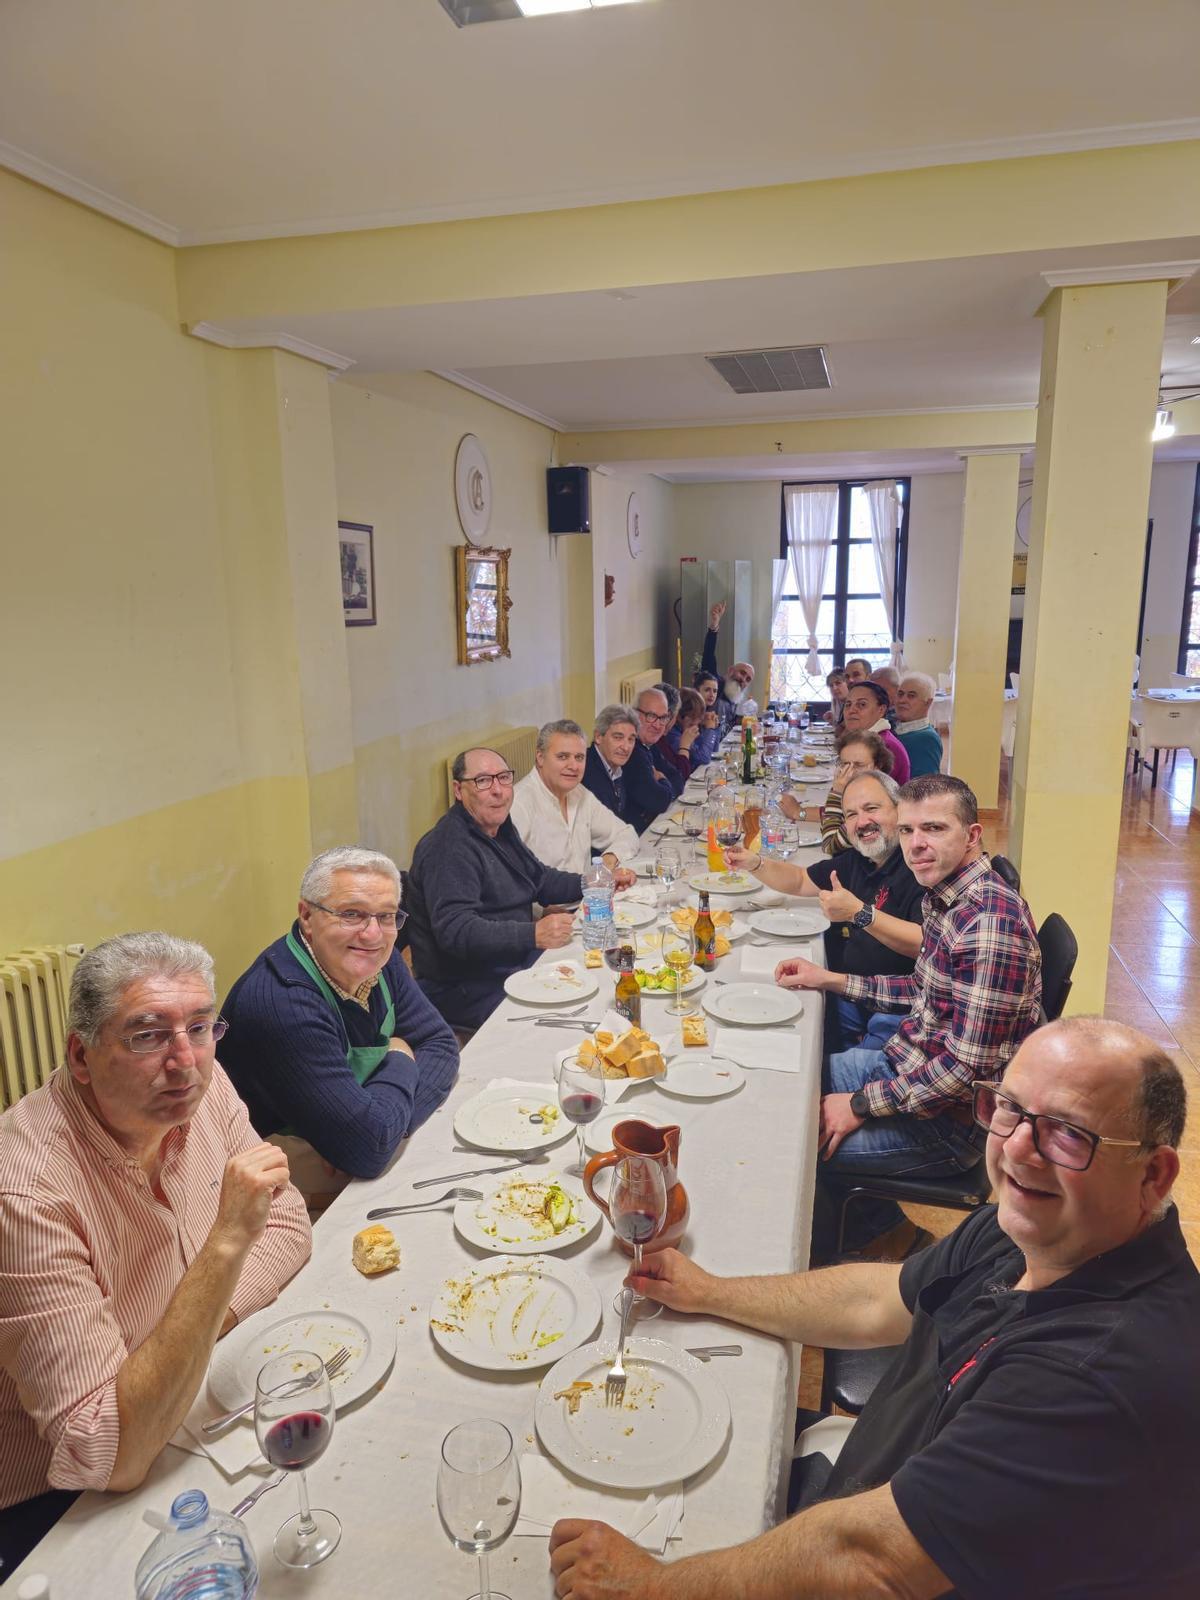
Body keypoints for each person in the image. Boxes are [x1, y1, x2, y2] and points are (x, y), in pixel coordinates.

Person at [549, 1018, 1199, 1600]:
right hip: (873, 1491)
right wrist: (709, 1291)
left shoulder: (1101, 1376)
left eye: (1068, 1133)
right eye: (1009, 1108)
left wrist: (651, 1587)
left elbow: (871, 1564)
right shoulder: (1038, 1228)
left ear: (1154, 1175)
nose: (1018, 1149)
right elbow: (877, 1300)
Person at [0, 933, 311, 1566]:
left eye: (199, 1027)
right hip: (58, 1501)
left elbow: (287, 1224)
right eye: (147, 1036)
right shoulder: (25, 1194)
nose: (185, 1061)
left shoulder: (202, 1087)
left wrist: (194, 1330)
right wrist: (225, 1245)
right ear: (81, 1056)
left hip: (183, 1399)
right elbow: (108, 1451)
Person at [777, 773, 1042, 1257]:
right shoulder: (947, 896)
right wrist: (831, 980)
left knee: (793, 1144)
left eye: (934, 829)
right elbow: (922, 990)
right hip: (905, 1066)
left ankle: (863, 1248)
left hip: (949, 1123)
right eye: (907, 830)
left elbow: (963, 1072)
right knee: (784, 1088)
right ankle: (881, 1230)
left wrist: (859, 1104)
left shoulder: (988, 924)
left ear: (972, 835)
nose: (916, 845)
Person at [219, 847, 460, 1207]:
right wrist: (400, 1056)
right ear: (307, 916)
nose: (373, 934)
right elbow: (369, 1152)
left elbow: (440, 1043)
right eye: (351, 914)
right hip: (279, 1182)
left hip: (348, 1138)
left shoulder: (378, 957)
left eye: (387, 916)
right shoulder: (281, 1003)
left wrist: (384, 1125)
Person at [728, 770, 923, 1052]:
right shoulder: (860, 860)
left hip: (896, 1011)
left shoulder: (918, 866)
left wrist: (857, 912)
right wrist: (755, 863)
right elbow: (800, 880)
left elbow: (924, 944)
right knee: (767, 1016)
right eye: (851, 814)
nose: (862, 822)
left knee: (798, 1051)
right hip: (853, 993)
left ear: (900, 809)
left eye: (872, 808)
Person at [407, 748, 586, 1029]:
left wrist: (593, 882)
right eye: (482, 781)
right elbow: (457, 931)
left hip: (510, 962)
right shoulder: (448, 847)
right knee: (565, 1016)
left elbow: (539, 879)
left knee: (587, 967)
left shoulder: (498, 827)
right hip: (465, 985)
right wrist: (533, 934)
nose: (498, 790)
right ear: (458, 790)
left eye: (504, 778)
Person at [511, 719, 641, 878]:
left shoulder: (580, 794)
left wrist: (607, 861)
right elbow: (511, 879)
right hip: (549, 895)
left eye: (579, 757)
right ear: (540, 757)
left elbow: (627, 833)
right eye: (563, 756)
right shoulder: (518, 804)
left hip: (589, 891)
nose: (573, 766)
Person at [778, 728, 892, 853]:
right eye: (845, 764)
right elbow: (835, 815)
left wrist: (837, 793)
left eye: (859, 765)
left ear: (878, 766)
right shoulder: (869, 792)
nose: (849, 773)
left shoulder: (874, 804)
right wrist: (799, 813)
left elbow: (830, 845)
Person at [614, 688, 685, 832]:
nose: (658, 725)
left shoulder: (649, 745)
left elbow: (678, 778)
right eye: (651, 716)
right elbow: (658, 801)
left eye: (663, 718)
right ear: (634, 714)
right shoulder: (632, 751)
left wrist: (662, 782)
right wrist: (664, 780)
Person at [840, 679, 910, 784]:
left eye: (862, 704)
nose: (851, 710)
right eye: (848, 704)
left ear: (881, 710)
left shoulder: (885, 745)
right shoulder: (866, 738)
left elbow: (865, 790)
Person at [701, 601, 757, 728]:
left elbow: (729, 721)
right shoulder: (715, 684)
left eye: (748, 679)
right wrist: (714, 627)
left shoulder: (734, 695)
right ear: (731, 670)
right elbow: (708, 655)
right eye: (742, 673)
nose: (743, 679)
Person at [582, 704, 640, 824]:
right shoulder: (586, 770)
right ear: (598, 737)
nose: (626, 747)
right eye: (618, 737)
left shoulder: (617, 766)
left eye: (631, 739)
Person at [894, 671, 944, 777]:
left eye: (911, 696)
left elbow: (924, 783)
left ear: (928, 702)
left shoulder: (926, 739)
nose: (902, 700)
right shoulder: (893, 727)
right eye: (900, 694)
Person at [666, 685, 720, 771]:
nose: (698, 720)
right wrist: (710, 729)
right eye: (694, 716)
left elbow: (714, 750)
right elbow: (703, 758)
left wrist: (715, 726)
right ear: (679, 715)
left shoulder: (688, 726)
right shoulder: (673, 735)